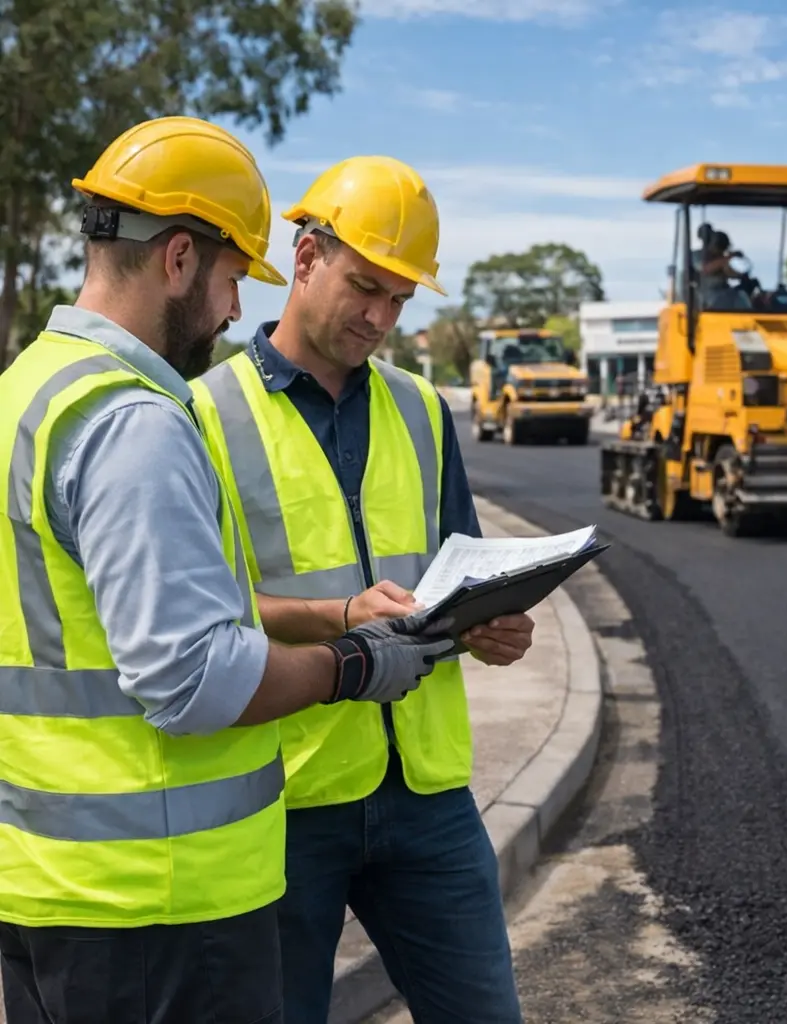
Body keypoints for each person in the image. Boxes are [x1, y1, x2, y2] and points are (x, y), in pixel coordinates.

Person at [0, 119, 454, 1024]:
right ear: (177, 258)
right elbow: (192, 679)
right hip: (161, 905)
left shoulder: (28, 390)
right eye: (232, 278)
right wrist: (356, 664)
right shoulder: (135, 421)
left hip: (47, 886)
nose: (236, 311)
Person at [191, 154, 536, 1024]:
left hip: (426, 795)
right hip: (286, 795)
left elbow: (460, 570)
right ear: (306, 259)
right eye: (366, 288)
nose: (382, 317)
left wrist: (492, 624)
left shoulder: (422, 410)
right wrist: (340, 616)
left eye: (401, 301)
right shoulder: (203, 416)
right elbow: (201, 613)